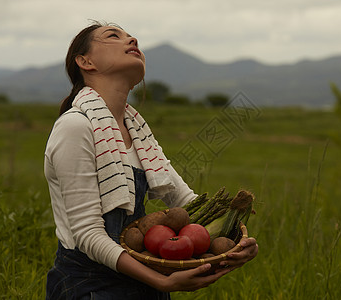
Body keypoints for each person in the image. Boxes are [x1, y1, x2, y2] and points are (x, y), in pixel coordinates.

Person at [44, 21, 258, 299]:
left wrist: (235, 244)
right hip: (91, 284)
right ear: (85, 62)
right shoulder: (76, 127)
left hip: (143, 280)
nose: (132, 39)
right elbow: (87, 235)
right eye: (113, 35)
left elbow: (185, 203)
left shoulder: (138, 132)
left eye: (130, 36)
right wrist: (161, 282)